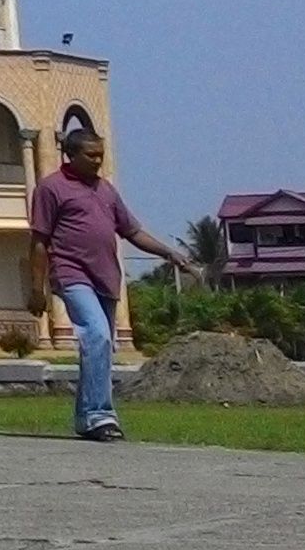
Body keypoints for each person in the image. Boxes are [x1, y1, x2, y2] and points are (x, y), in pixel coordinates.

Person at [28, 126, 187, 440]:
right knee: (97, 334)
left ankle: (85, 419)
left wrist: (169, 252)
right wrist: (37, 288)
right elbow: (38, 241)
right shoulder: (51, 189)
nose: (98, 161)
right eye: (91, 155)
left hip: (106, 276)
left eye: (101, 155)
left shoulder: (106, 190)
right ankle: (101, 416)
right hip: (71, 272)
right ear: (70, 155)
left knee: (99, 346)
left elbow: (132, 231)